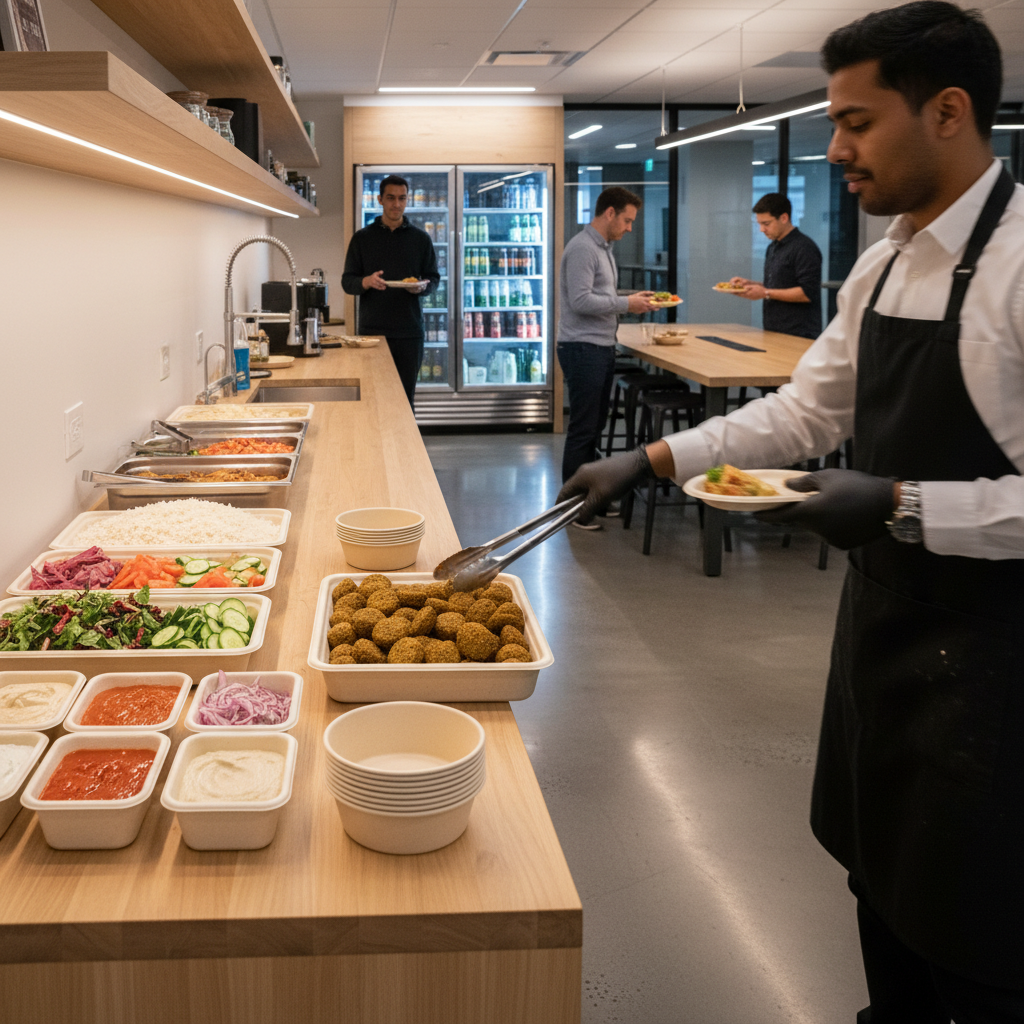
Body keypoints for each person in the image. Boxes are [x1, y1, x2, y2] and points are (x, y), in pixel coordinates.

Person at [559, 3, 1024, 1019]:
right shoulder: (885, 262)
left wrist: (905, 502)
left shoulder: (1021, 266)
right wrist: (650, 455)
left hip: (996, 664)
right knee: (879, 886)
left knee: (981, 934)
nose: (834, 146)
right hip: (881, 637)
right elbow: (809, 411)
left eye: (856, 121)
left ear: (946, 112)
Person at [556, 186, 656, 529]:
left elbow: (600, 296)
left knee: (595, 426)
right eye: (627, 220)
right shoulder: (584, 248)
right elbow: (582, 301)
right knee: (583, 430)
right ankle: (570, 509)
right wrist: (627, 304)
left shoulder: (603, 248)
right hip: (582, 348)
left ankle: (591, 499)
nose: (630, 228)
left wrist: (631, 298)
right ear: (609, 213)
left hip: (598, 346)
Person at [342, 174, 440, 406]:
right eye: (391, 198)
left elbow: (433, 279)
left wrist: (421, 288)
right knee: (373, 397)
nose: (396, 204)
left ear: (407, 201)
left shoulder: (421, 239)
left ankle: (404, 443)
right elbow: (347, 282)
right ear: (380, 200)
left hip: (409, 333)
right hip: (371, 333)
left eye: (402, 198)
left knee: (405, 399)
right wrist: (365, 282)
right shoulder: (362, 238)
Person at [728, 192, 823, 340]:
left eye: (766, 224)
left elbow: (807, 293)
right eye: (759, 224)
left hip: (799, 334)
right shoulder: (773, 247)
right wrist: (750, 284)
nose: (761, 229)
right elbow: (777, 285)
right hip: (773, 330)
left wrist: (765, 293)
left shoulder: (804, 247)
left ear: (784, 218)